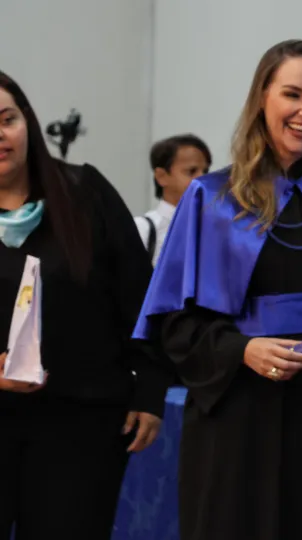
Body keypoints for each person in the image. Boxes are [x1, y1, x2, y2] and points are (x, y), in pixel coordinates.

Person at [132, 40, 302, 540]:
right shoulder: (211, 200)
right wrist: (242, 350)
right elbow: (174, 322)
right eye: (293, 94)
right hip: (239, 420)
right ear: (263, 98)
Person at [0, 71, 170, 539]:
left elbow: (142, 294)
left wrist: (151, 389)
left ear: (27, 122)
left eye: (7, 118)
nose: (0, 134)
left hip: (82, 423)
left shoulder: (84, 193)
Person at [134, 134, 212, 264]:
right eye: (192, 171)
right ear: (162, 176)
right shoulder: (143, 230)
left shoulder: (215, 228)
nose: (202, 179)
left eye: (205, 171)